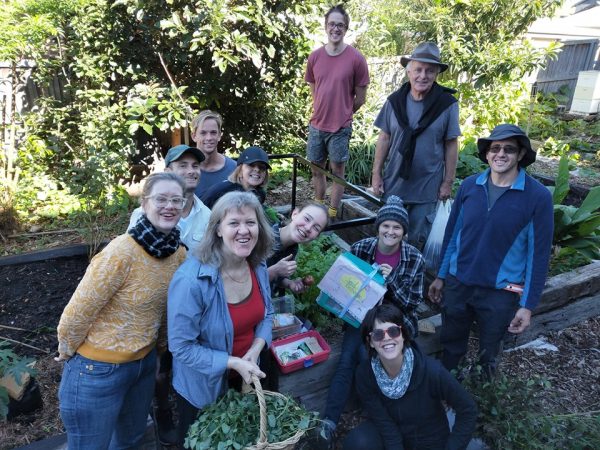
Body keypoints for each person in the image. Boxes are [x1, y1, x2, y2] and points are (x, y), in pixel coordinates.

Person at [56, 172, 188, 449]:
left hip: (142, 365)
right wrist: (67, 350)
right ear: (144, 203)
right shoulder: (120, 253)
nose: (169, 206)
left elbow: (165, 309)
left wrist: (159, 351)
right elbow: (79, 311)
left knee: (129, 442)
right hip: (97, 369)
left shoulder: (177, 254)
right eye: (161, 199)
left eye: (176, 200)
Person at [428, 124, 554, 377]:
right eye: (495, 148)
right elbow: (452, 234)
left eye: (509, 149)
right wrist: (441, 276)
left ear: (520, 155)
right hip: (458, 283)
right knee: (451, 343)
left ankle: (483, 395)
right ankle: (447, 387)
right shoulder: (470, 186)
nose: (501, 154)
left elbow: (538, 256)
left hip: (500, 292)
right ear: (487, 154)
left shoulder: (537, 197)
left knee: (490, 350)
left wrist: (527, 305)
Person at [167, 191, 275, 447]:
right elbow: (181, 347)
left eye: (251, 222)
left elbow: (267, 314)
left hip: (250, 373)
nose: (244, 231)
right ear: (217, 230)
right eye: (234, 223)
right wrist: (232, 362)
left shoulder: (257, 265)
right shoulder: (192, 281)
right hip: (205, 386)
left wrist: (255, 350)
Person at [316, 196, 425, 449]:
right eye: (385, 225)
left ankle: (384, 420)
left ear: (404, 233)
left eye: (397, 227)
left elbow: (411, 303)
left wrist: (389, 284)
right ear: (377, 228)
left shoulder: (414, 258)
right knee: (347, 360)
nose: (390, 231)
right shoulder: (362, 248)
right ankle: (329, 424)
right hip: (361, 317)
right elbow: (342, 288)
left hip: (396, 323)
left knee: (372, 360)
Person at [342, 304, 477, 450]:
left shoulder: (432, 371)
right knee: (358, 442)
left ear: (403, 335)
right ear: (371, 342)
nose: (387, 338)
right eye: (378, 334)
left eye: (393, 331)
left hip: (429, 439)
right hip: (392, 434)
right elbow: (384, 423)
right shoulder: (365, 374)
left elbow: (468, 410)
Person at [370, 42, 460, 249]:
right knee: (387, 240)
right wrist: (376, 175)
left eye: (430, 71)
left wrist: (448, 182)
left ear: (437, 74)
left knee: (417, 242)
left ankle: (411, 279)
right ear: (408, 70)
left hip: (427, 188)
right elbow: (384, 138)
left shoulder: (446, 104)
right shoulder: (394, 102)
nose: (423, 75)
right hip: (394, 185)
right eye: (418, 69)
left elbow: (451, 144)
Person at [305, 4, 369, 220]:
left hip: (340, 127)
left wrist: (343, 112)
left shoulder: (356, 59)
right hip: (317, 124)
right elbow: (314, 89)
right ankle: (319, 205)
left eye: (340, 25)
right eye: (332, 24)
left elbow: (360, 98)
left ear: (346, 28)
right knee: (316, 169)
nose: (335, 28)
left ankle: (332, 213)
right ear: (325, 26)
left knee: (338, 174)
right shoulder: (314, 57)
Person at [129, 144, 211, 255]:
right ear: (167, 171)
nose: (191, 171)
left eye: (195, 166)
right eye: (183, 166)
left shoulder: (207, 216)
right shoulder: (143, 214)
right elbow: (129, 253)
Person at [267, 202, 329, 294]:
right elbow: (241, 281)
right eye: (307, 219)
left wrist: (289, 283)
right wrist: (274, 271)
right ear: (295, 214)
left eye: (316, 228)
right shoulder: (263, 238)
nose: (308, 228)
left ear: (316, 237)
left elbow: (276, 279)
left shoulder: (293, 250)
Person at [200, 146, 270, 209]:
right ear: (240, 169)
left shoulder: (260, 194)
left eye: (262, 167)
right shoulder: (222, 190)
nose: (257, 170)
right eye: (251, 165)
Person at [191, 110, 237, 198]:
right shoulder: (185, 171)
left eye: (213, 132)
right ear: (194, 136)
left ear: (219, 135)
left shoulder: (234, 169)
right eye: (203, 133)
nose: (209, 138)